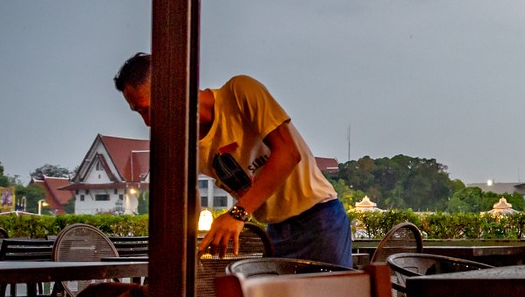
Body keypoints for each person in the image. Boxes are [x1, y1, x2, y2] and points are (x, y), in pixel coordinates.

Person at [113, 53, 352, 269]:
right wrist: (180, 251)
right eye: (140, 113)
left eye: (148, 110)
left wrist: (237, 213)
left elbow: (288, 154)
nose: (148, 122)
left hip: (320, 220)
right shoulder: (183, 142)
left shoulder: (239, 92)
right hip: (275, 232)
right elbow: (187, 200)